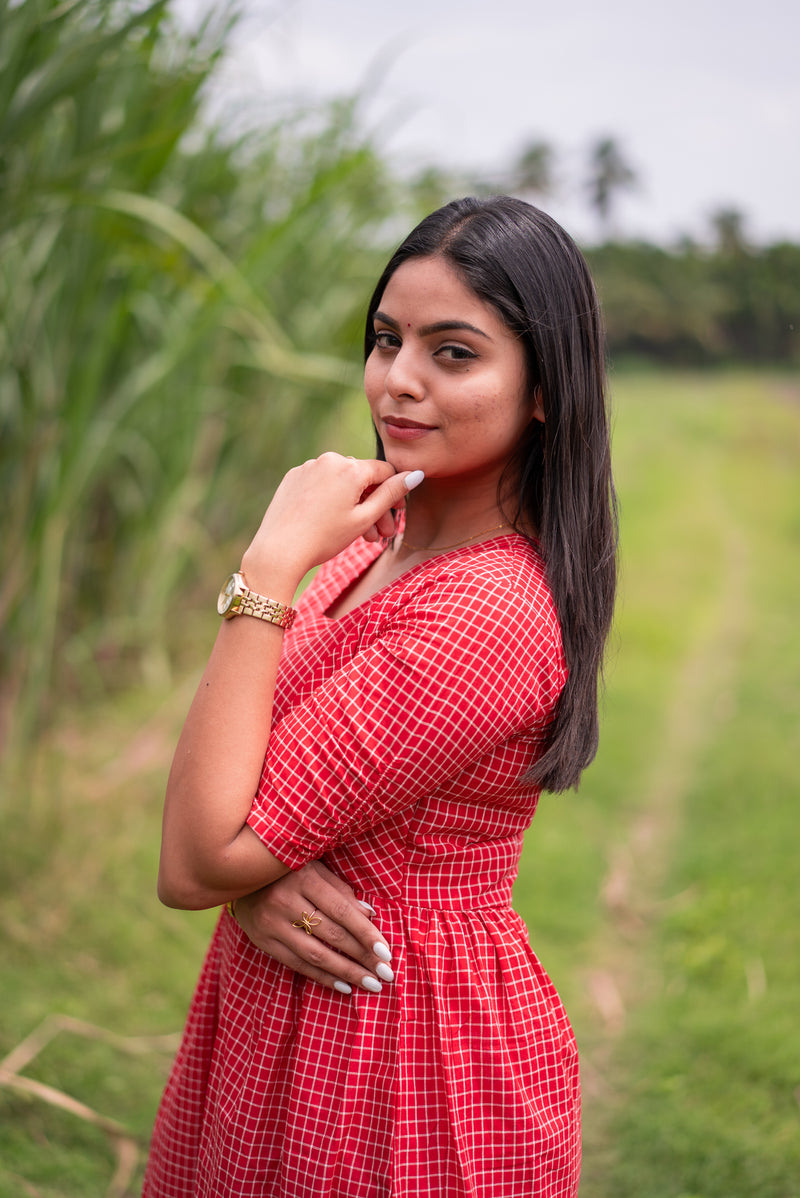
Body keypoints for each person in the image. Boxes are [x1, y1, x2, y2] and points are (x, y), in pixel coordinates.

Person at [144, 195, 617, 1198]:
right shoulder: (369, 540)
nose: (396, 381)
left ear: (543, 387)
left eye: (453, 352)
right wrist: (254, 876)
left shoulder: (482, 614)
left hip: (398, 1055)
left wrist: (266, 565)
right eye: (385, 338)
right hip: (280, 1006)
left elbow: (192, 855)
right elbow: (222, 808)